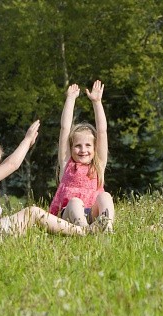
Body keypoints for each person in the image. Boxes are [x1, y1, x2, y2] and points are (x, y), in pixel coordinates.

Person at [0, 120, 86, 241]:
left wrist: (25, 147)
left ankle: (78, 230)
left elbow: (5, 165)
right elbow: (11, 165)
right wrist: (26, 141)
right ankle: (83, 232)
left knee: (29, 214)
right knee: (33, 212)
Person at [50, 80, 115, 232]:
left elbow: (102, 131)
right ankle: (85, 231)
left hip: (92, 213)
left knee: (105, 196)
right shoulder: (67, 164)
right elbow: (65, 128)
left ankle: (107, 227)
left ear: (95, 148)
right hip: (69, 216)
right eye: (78, 146)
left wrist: (97, 102)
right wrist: (70, 99)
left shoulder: (98, 165)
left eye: (88, 146)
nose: (83, 150)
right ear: (71, 148)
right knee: (74, 202)